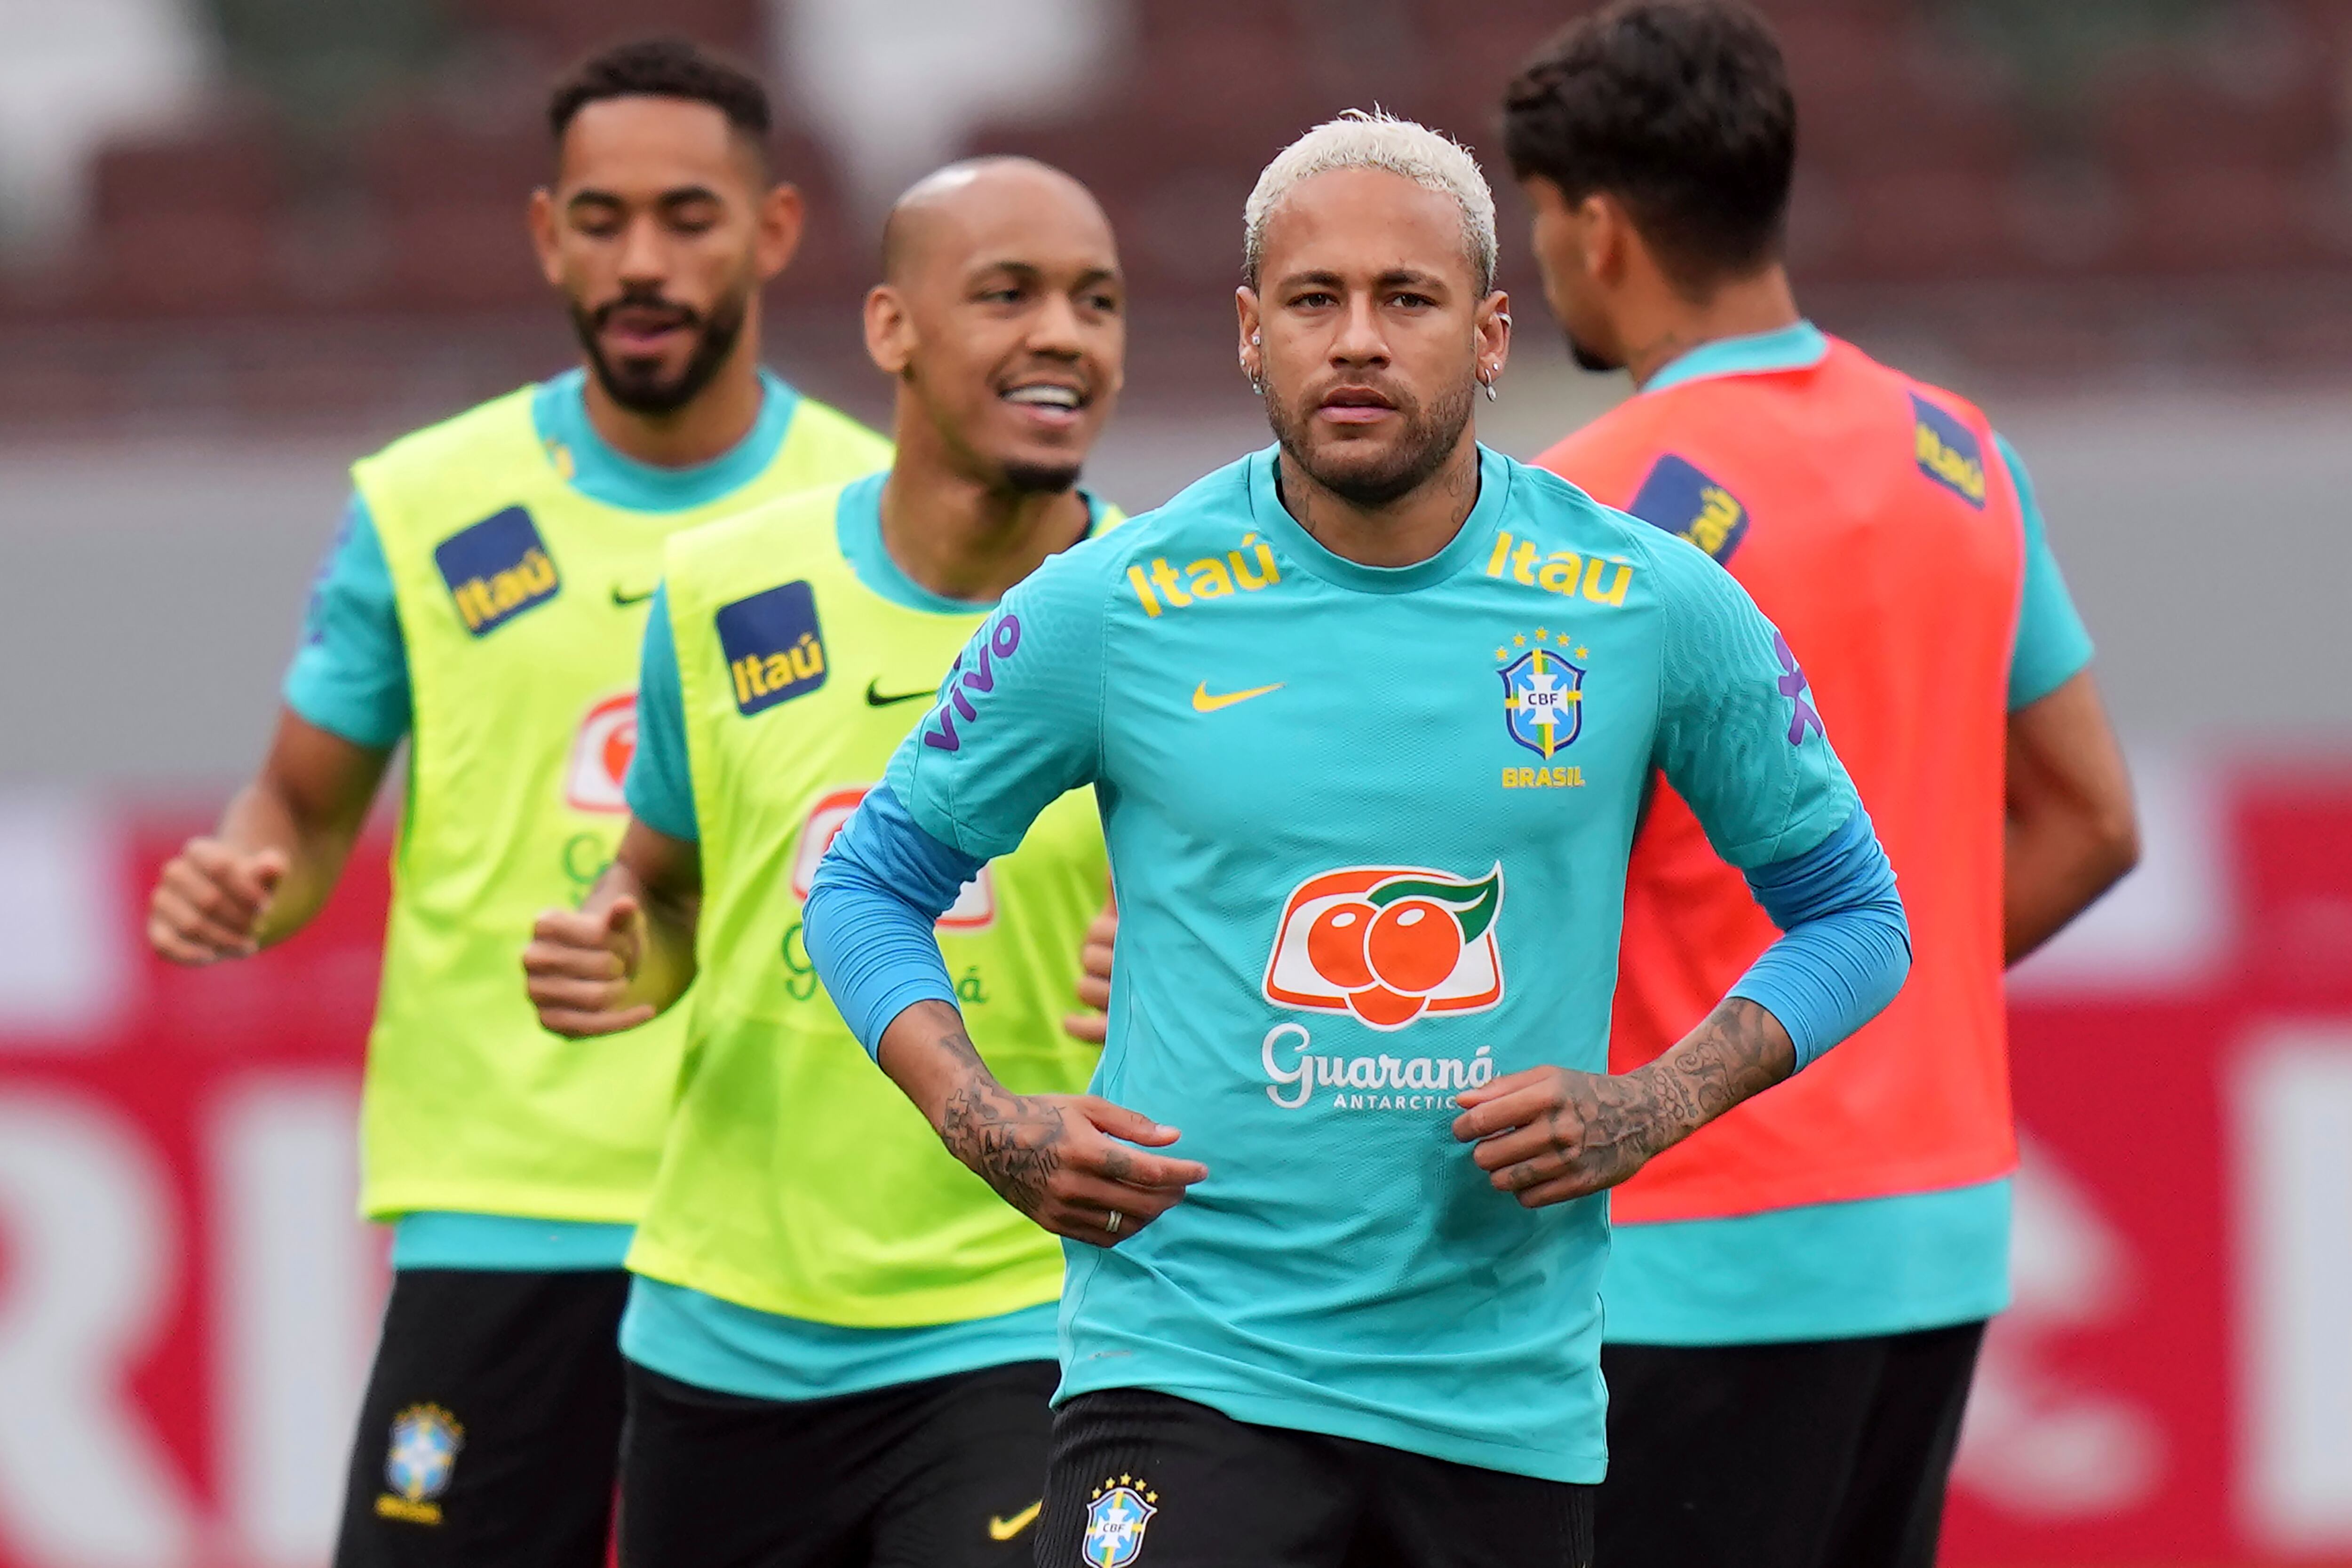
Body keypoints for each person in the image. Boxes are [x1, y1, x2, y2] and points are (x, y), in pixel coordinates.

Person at [800, 111, 1913, 1568]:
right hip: (1184, 1368)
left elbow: (1857, 917)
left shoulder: (1648, 603)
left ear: (1492, 333)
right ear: (1252, 333)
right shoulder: (1110, 604)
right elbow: (869, 883)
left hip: (1499, 1404)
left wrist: (1653, 1104)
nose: (1360, 342)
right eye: (1316, 301)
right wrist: (985, 1120)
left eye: (1409, 299)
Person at [142, 38, 889, 1568]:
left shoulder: (875, 515)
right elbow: (299, 811)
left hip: (794, 1222)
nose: (641, 260)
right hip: (506, 1205)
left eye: (687, 216)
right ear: (549, 236)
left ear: (774, 231)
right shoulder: (428, 506)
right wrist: (244, 876)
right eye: (602, 219)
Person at [1502, 6, 2141, 1566]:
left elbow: (1492, 865)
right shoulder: (1960, 453)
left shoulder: (1581, 513)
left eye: (1541, 220)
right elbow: (2092, 822)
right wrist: (1864, 1012)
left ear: (1598, 226)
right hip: (1935, 1239)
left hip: (1685, 1249)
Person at [518, 156, 1125, 1568]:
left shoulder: (1176, 615)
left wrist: (1184, 965)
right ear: (891, 327)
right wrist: (625, 941)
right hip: (720, 1332)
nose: (1063, 334)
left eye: (1095, 301)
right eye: (1008, 294)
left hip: (1025, 1316)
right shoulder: (722, 587)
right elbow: (667, 884)